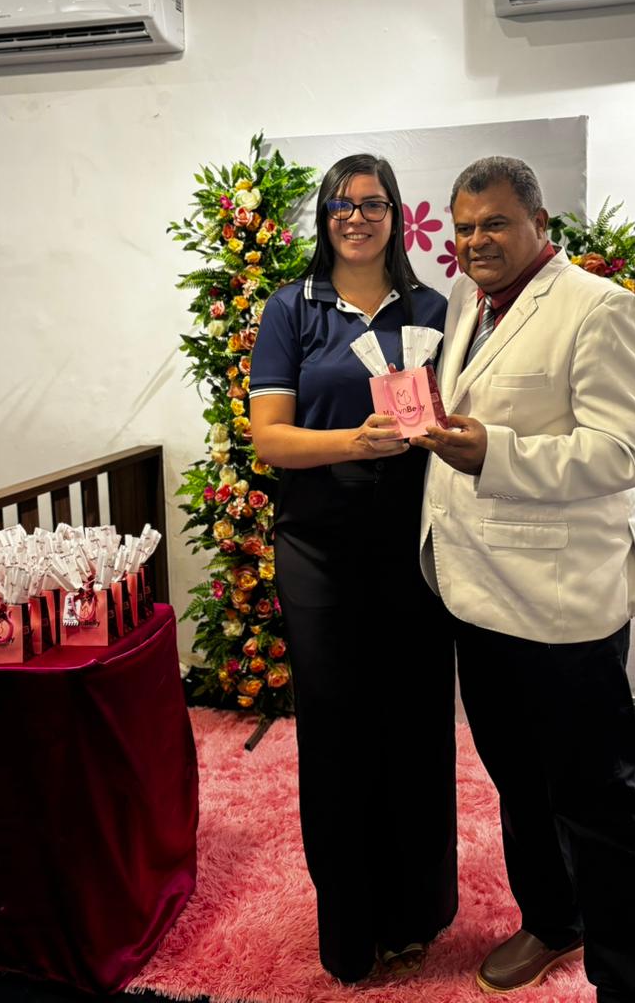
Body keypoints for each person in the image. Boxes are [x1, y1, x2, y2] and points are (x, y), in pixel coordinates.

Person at [411, 156, 635, 1002]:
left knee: (598, 803)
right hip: (475, 591)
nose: (475, 241)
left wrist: (496, 452)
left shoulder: (600, 307)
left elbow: (628, 451)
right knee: (519, 784)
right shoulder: (468, 302)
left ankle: (634, 983)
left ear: (539, 223)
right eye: (464, 228)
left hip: (561, 608)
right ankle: (553, 920)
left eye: (494, 223)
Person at [250, 153, 458, 984]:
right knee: (336, 731)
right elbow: (270, 438)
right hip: (319, 549)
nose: (357, 217)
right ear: (324, 217)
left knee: (415, 723)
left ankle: (415, 914)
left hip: (413, 547)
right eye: (342, 204)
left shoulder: (434, 308)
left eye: (373, 204)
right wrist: (354, 442)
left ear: (397, 216)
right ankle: (349, 926)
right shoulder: (291, 309)